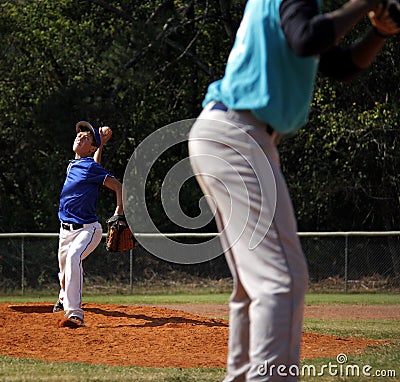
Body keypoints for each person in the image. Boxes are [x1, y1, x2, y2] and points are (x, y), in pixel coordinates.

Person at [189, 0, 399, 380]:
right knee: (282, 283)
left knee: (254, 289)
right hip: (241, 135)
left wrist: (380, 32)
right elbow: (307, 40)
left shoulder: (286, 10)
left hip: (229, 133)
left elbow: (339, 64)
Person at [53, 121, 123, 327]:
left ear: (91, 148)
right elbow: (93, 166)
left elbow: (119, 186)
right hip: (64, 230)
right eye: (79, 135)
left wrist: (119, 212)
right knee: (64, 269)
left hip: (88, 229)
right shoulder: (73, 165)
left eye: (87, 138)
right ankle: (63, 298)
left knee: (75, 257)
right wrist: (99, 144)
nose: (80, 137)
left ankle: (75, 313)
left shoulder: (90, 167)